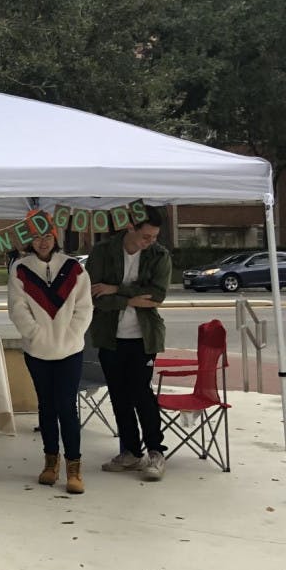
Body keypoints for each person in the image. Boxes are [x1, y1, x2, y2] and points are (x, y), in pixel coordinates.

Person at [7, 211, 93, 494]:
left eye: (46, 236)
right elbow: (18, 310)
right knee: (45, 406)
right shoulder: (20, 269)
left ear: (55, 236)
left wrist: (70, 335)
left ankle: (74, 468)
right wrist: (37, 335)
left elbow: (84, 308)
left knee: (67, 407)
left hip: (70, 350)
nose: (42, 242)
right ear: (28, 239)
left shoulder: (74, 269)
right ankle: (49, 463)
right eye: (35, 236)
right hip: (37, 351)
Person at [86, 205, 172, 482]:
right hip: (109, 336)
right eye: (146, 236)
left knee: (141, 393)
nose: (151, 242)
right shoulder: (102, 252)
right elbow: (93, 294)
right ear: (130, 227)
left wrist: (116, 289)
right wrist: (131, 299)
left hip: (144, 337)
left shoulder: (159, 255)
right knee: (119, 395)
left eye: (154, 236)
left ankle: (155, 451)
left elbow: (157, 297)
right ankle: (131, 452)